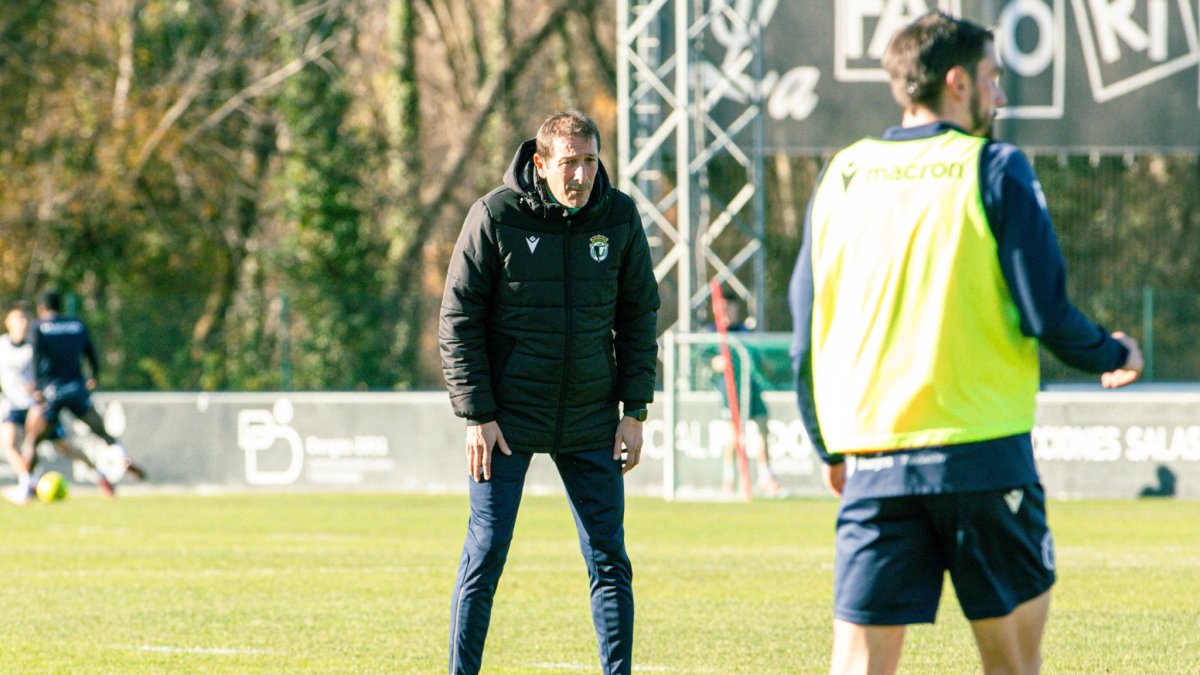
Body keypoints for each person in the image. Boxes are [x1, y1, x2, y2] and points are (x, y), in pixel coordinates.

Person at [788, 12, 1144, 674]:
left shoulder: (841, 174)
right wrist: (1114, 352)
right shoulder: (996, 166)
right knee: (1012, 664)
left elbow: (803, 329)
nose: (1000, 95)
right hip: (983, 458)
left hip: (875, 458)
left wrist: (827, 443)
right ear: (958, 82)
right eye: (993, 78)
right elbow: (1046, 312)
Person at [439, 110, 659, 675]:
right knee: (485, 555)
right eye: (569, 163)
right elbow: (458, 319)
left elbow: (639, 317)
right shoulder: (494, 216)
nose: (581, 175)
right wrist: (477, 413)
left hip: (590, 419)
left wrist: (634, 411)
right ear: (540, 163)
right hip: (505, 422)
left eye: (590, 161)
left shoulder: (619, 217)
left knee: (610, 560)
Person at [22, 290, 145, 485]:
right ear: (60, 306)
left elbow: (36, 358)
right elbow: (91, 352)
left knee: (32, 441)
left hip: (51, 392)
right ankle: (122, 457)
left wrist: (37, 387)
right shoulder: (77, 325)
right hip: (76, 389)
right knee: (102, 432)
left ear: (41, 308)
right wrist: (94, 375)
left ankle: (26, 486)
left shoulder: (39, 328)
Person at [0, 302, 115, 503]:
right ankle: (28, 482)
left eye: (27, 318)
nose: (24, 322)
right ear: (8, 322)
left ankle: (100, 476)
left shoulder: (36, 342)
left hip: (39, 405)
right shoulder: (2, 346)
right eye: (19, 318)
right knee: (9, 444)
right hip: (15, 405)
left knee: (65, 447)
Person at [706, 296, 782, 496]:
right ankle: (729, 480)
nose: (727, 311)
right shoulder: (712, 333)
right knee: (733, 435)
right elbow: (704, 361)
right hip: (730, 389)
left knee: (762, 427)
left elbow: (759, 358)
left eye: (730, 307)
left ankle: (766, 476)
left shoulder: (745, 332)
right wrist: (716, 362)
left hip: (752, 387)